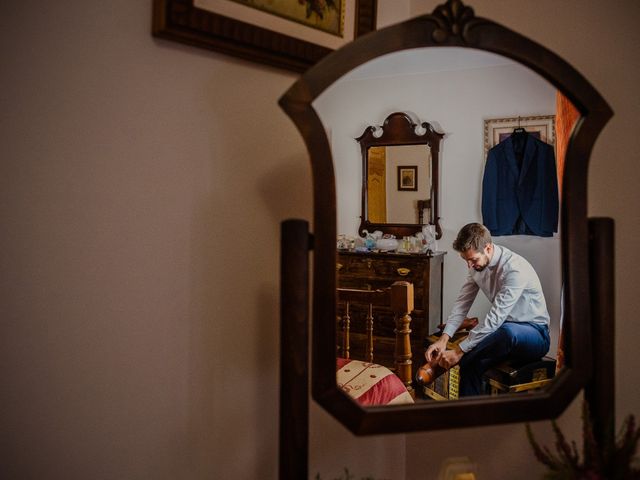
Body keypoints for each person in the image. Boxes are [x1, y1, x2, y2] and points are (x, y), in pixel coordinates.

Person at [425, 222, 551, 396]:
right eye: (466, 260)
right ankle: (470, 418)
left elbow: (495, 318)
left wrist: (458, 350)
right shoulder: (476, 267)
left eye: (473, 259)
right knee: (470, 361)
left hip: (535, 334)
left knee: (501, 333)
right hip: (503, 333)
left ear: (488, 248)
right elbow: (462, 304)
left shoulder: (514, 269)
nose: (469, 265)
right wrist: (444, 339)